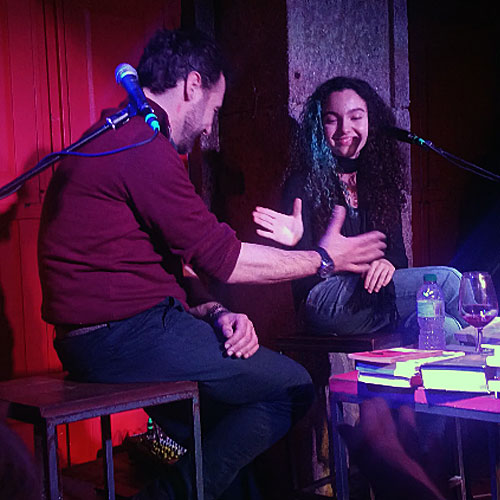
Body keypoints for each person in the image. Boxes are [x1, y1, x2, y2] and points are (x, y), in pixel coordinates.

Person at [37, 31, 387, 500]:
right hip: (120, 336)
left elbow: (175, 264)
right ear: (192, 86)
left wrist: (217, 312)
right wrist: (325, 258)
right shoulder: (141, 148)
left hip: (113, 334)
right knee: (292, 387)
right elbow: (226, 260)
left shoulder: (124, 137)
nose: (208, 127)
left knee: (229, 429)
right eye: (215, 109)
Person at [253, 76, 465, 341]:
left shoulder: (379, 181)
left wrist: (387, 264)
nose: (345, 128)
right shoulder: (303, 182)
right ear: (319, 126)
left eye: (355, 117)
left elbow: (398, 257)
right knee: (449, 282)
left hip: (374, 295)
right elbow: (300, 274)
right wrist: (304, 248)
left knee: (445, 327)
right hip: (322, 299)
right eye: (332, 120)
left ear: (370, 121)